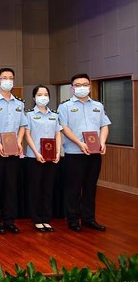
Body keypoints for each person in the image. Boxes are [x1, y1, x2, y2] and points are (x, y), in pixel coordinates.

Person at [58, 73, 111, 232]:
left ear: (89, 86)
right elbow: (64, 128)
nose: (82, 87)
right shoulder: (65, 106)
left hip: (94, 153)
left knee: (90, 187)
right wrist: (79, 143)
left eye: (85, 84)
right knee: (73, 188)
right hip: (75, 153)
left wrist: (102, 142)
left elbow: (104, 125)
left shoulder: (98, 106)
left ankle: (89, 218)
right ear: (72, 88)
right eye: (78, 85)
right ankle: (73, 219)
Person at [0, 68, 27, 235]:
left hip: (13, 152)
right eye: (4, 78)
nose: (8, 81)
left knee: (11, 188)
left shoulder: (19, 103)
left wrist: (19, 141)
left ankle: (9, 221)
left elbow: (22, 125)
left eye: (11, 78)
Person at [24, 85, 62, 232]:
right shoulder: (29, 115)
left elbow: (57, 134)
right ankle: (36, 219)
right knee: (35, 189)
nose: (43, 97)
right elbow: (27, 135)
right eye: (39, 94)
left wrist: (58, 152)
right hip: (35, 157)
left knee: (48, 188)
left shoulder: (55, 115)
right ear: (34, 98)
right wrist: (36, 153)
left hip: (51, 158)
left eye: (45, 94)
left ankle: (46, 218)